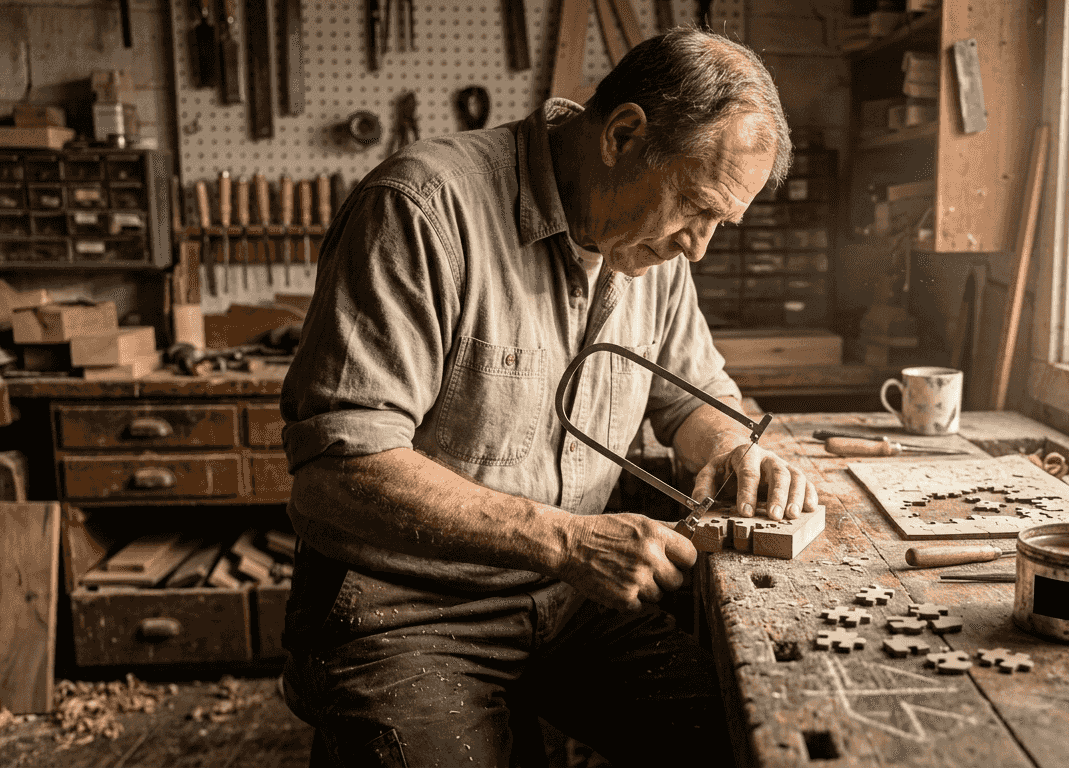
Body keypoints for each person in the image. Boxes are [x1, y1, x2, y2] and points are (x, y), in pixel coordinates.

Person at [278, 28, 821, 767]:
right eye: (696, 209)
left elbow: (690, 397)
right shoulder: (422, 210)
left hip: (569, 605)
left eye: (720, 224)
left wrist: (734, 449)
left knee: (751, 743)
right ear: (624, 134)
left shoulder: (649, 243)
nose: (698, 248)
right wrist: (565, 540)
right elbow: (337, 474)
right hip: (403, 613)